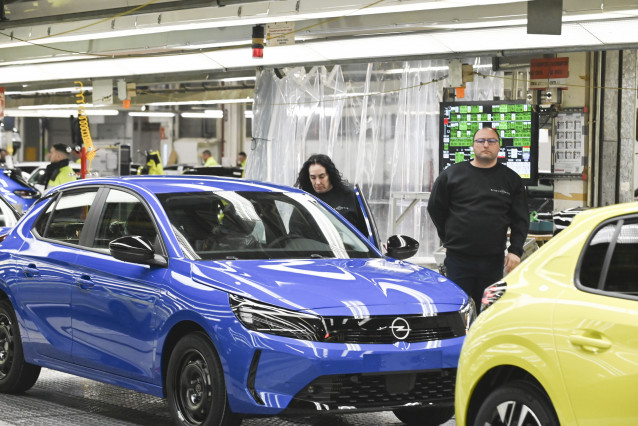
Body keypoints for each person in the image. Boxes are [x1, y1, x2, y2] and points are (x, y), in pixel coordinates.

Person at [427, 127, 529, 309]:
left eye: (491, 141)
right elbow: (435, 208)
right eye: (480, 141)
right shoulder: (451, 175)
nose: (486, 145)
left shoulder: (511, 179)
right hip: (458, 259)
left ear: (499, 147)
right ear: (473, 146)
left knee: (488, 311)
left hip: (493, 261)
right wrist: (449, 237)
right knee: (458, 309)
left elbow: (520, 219)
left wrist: (515, 251)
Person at [295, 154, 368, 236]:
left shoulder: (349, 195)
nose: (317, 182)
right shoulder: (304, 198)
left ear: (330, 175)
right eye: (313, 178)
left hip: (349, 248)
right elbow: (294, 232)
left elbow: (366, 230)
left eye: (321, 177)